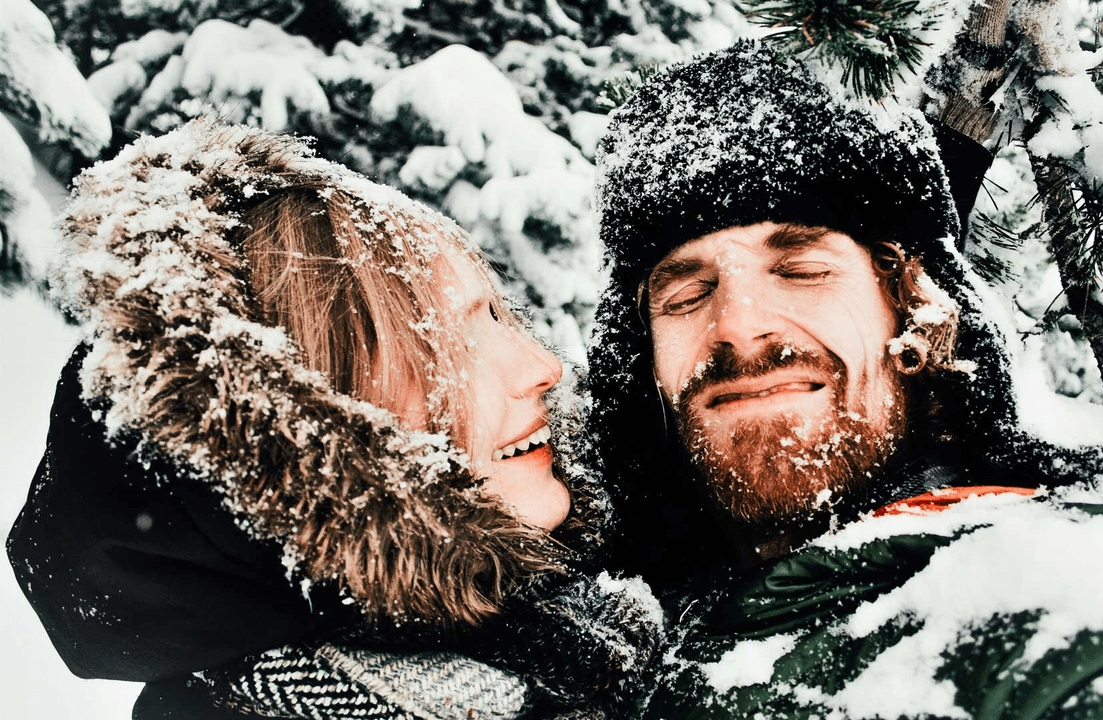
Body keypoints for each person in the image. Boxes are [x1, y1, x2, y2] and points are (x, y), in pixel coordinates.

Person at [586, 41, 1103, 719]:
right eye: (683, 295)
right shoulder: (610, 618)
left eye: (801, 270)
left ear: (913, 312)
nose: (736, 324)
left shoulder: (1058, 616)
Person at [8, 118, 660, 719]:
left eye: (497, 316)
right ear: (307, 442)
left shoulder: (566, 641)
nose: (542, 365)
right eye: (452, 344)